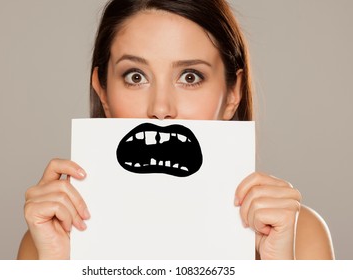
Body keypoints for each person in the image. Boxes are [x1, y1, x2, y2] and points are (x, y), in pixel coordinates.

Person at [17, 0, 334, 260]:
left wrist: (279, 269)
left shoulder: (298, 237)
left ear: (232, 95)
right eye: (136, 76)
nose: (161, 108)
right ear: (103, 92)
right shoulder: (47, 239)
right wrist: (57, 267)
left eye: (191, 76)